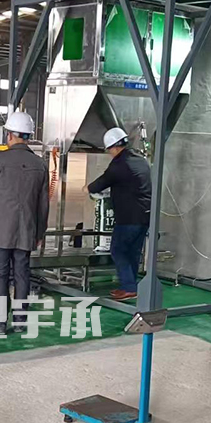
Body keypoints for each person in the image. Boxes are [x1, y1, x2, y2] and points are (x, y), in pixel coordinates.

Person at [0, 111, 49, 335]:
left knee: (0, 276)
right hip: (26, 231)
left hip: (0, 231)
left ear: (9, 135)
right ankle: (20, 321)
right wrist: (39, 233)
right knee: (22, 274)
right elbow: (43, 205)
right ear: (28, 136)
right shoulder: (40, 164)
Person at [86, 127, 152, 302]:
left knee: (117, 249)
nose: (109, 153)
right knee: (133, 252)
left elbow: (101, 182)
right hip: (145, 215)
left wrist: (88, 188)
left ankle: (129, 287)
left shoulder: (119, 164)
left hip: (129, 217)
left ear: (114, 147)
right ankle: (130, 286)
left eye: (109, 149)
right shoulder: (140, 159)